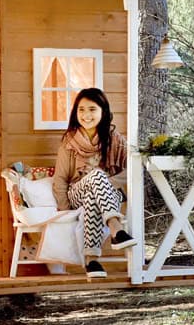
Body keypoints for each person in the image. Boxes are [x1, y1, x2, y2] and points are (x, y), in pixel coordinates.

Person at [52, 87, 137, 279]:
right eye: (81, 110)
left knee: (95, 190)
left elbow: (130, 172)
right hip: (77, 193)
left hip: (107, 196)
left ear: (103, 111)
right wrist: (65, 211)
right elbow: (60, 179)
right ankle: (116, 228)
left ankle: (91, 260)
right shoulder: (69, 142)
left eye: (92, 109)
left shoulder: (116, 140)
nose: (86, 115)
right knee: (96, 176)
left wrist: (108, 182)